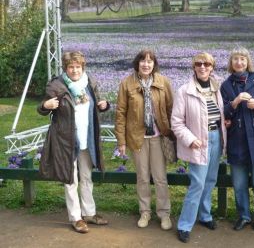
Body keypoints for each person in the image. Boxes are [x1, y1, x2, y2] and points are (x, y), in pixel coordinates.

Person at [38, 51, 110, 233]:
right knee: (71, 179)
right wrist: (45, 106)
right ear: (66, 68)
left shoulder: (89, 83)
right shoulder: (57, 85)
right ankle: (76, 217)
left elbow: (96, 104)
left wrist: (104, 105)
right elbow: (43, 107)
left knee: (86, 176)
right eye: (71, 67)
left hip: (87, 137)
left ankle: (89, 213)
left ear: (82, 67)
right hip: (66, 140)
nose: (75, 70)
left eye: (78, 66)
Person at [115, 49, 174, 231]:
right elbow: (120, 114)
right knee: (142, 177)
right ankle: (145, 212)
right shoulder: (127, 83)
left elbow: (171, 108)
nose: (146, 64)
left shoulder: (163, 82)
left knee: (160, 178)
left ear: (154, 64)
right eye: (143, 61)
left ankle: (164, 214)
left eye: (150, 61)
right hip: (137, 138)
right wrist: (121, 141)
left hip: (158, 137)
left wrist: (173, 134)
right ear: (137, 63)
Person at [171, 52, 227, 243]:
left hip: (216, 139)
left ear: (212, 67)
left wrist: (224, 123)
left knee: (210, 181)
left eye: (206, 64)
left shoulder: (217, 88)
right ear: (193, 67)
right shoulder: (184, 90)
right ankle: (184, 225)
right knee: (197, 184)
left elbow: (218, 113)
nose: (202, 67)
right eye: (198, 64)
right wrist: (190, 139)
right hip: (198, 142)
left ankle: (205, 216)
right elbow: (176, 123)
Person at [220, 47, 254, 232]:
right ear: (231, 63)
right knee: (239, 184)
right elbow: (223, 113)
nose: (239, 62)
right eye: (235, 59)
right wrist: (234, 102)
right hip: (237, 140)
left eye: (242, 59)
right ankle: (243, 216)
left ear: (247, 61)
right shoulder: (226, 85)